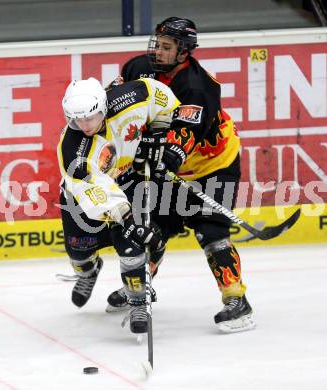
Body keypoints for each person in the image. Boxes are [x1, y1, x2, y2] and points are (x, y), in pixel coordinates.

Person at [106, 17, 256, 333]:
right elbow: (115, 101)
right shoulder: (138, 68)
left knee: (211, 233)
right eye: (156, 44)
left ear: (184, 51)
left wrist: (165, 156)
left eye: (166, 46)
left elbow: (183, 136)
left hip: (214, 166)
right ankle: (143, 284)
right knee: (154, 226)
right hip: (170, 168)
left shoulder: (199, 86)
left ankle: (236, 301)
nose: (157, 51)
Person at [57, 76, 185, 334]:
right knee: (78, 254)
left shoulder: (131, 96)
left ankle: (137, 301)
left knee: (132, 250)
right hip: (84, 200)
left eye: (89, 117)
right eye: (76, 119)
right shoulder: (73, 148)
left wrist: (158, 130)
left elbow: (160, 96)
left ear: (103, 107)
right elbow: (95, 192)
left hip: (128, 183)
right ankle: (88, 273)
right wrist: (128, 219)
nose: (83, 125)